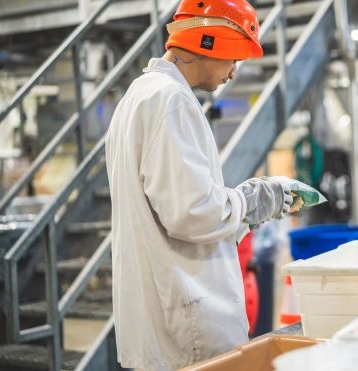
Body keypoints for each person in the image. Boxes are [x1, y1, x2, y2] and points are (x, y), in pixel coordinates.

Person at [105, 0, 293, 369]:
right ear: (212, 42)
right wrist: (251, 200)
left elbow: (172, 204)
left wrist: (239, 215)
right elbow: (192, 214)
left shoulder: (138, 96)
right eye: (233, 58)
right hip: (187, 325)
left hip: (161, 321)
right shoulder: (170, 100)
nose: (233, 73)